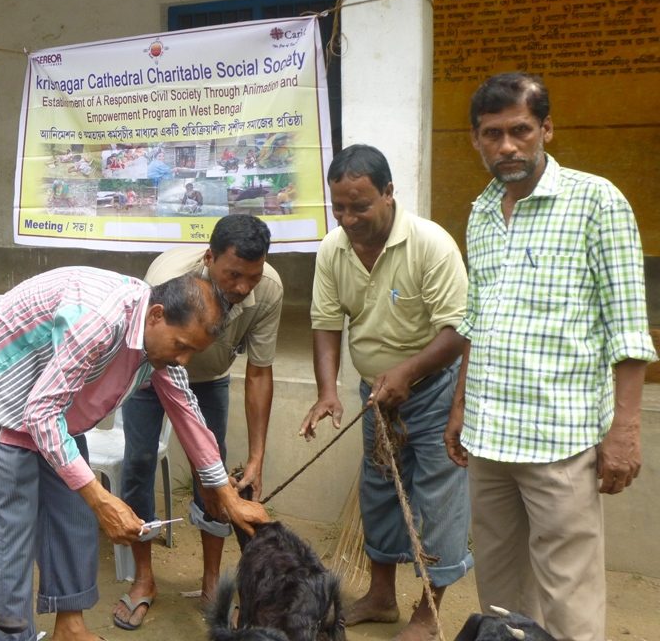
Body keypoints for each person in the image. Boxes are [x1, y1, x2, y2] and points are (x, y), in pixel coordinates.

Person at [0, 267, 269, 641]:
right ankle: (11, 635)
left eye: (193, 351)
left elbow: (185, 408)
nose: (184, 360)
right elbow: (40, 414)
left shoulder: (157, 339)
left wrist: (224, 493)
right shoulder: (97, 320)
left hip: (47, 404)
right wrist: (101, 499)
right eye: (181, 346)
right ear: (156, 315)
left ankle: (70, 627)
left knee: (73, 513)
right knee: (11, 526)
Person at [444, 72, 656, 641]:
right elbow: (477, 322)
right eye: (493, 134)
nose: (507, 146)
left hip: (560, 439)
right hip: (489, 438)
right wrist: (461, 406)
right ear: (476, 140)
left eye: (520, 130)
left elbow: (629, 330)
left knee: (569, 596)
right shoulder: (482, 213)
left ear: (547, 130)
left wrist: (625, 431)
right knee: (501, 592)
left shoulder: (596, 201)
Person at [300, 145, 471, 641]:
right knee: (379, 492)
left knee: (436, 498)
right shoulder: (333, 249)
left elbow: (458, 330)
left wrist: (407, 372)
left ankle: (428, 614)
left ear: (390, 193)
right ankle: (380, 597)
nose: (349, 218)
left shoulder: (430, 245)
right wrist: (327, 391)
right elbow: (326, 324)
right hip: (377, 393)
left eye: (361, 205)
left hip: (435, 389)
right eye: (340, 207)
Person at [115, 214, 283, 629]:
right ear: (209, 259)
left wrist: (258, 455)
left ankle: (211, 582)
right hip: (151, 373)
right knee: (137, 463)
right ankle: (144, 578)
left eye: (253, 276)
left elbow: (260, 371)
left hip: (209, 379)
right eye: (232, 275)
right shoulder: (168, 275)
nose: (243, 287)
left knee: (216, 474)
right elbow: (152, 340)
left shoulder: (270, 289)